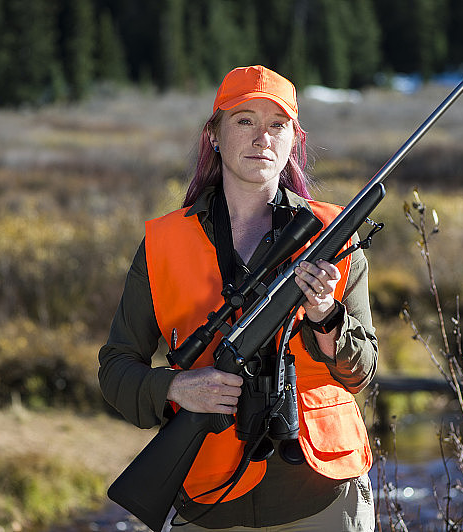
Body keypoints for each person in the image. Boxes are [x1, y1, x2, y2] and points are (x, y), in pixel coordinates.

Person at [99, 65, 378, 531]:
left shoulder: (335, 235)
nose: (262, 138)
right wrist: (175, 387)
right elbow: (116, 368)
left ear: (294, 140)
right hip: (211, 498)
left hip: (323, 494)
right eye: (244, 121)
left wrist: (326, 315)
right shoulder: (164, 243)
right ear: (214, 134)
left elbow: (362, 371)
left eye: (277, 125)